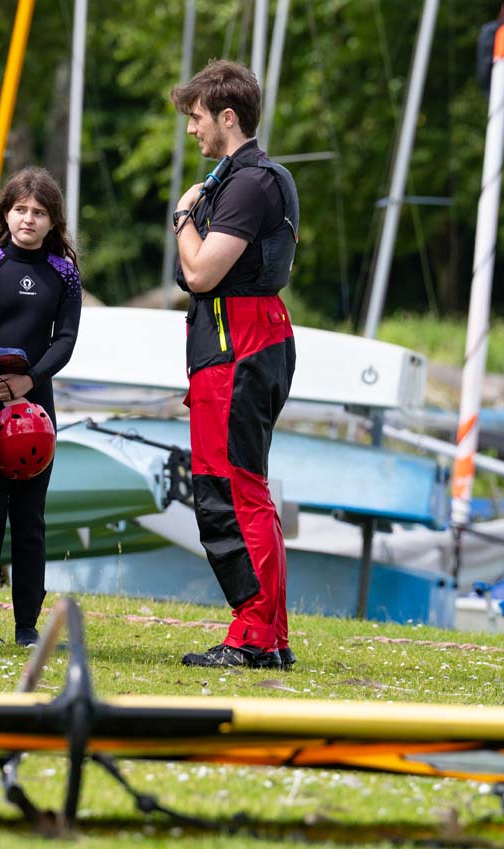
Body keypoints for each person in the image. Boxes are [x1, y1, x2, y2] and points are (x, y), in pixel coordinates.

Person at [170, 60, 299, 669]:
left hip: (239, 343)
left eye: (196, 118)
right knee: (244, 486)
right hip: (241, 337)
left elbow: (199, 273)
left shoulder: (250, 184)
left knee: (228, 488)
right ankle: (268, 632)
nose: (191, 130)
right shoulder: (239, 180)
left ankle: (253, 632)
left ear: (227, 117)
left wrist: (180, 218)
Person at [0, 166, 82, 648]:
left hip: (35, 410)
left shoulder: (64, 274)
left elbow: (66, 339)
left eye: (39, 213)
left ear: (53, 221)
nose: (28, 220)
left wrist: (28, 380)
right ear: (5, 213)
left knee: (30, 521)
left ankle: (27, 626)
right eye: (20, 210)